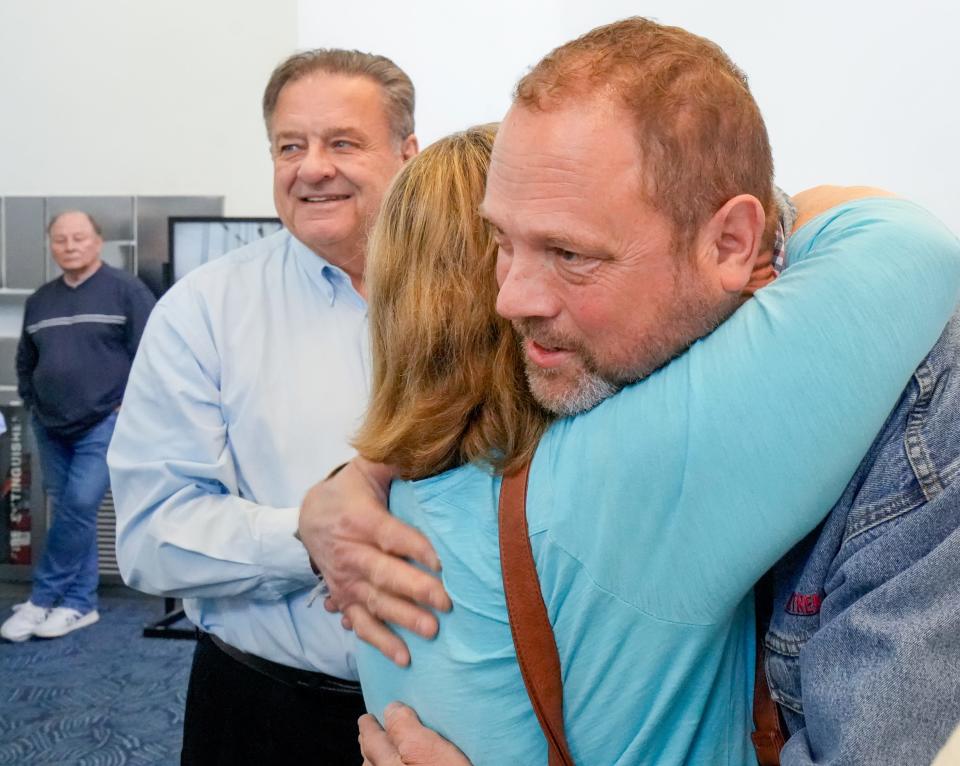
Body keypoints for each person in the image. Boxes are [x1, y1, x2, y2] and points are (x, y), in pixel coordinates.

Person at [294, 20, 960, 765]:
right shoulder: (630, 468)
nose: (513, 296)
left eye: (569, 251)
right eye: (503, 245)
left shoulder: (405, 502)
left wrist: (354, 477)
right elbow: (908, 250)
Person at [107, 49, 418, 763]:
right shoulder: (204, 312)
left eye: (342, 142)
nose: (312, 167)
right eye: (290, 146)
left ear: (408, 154)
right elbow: (152, 537)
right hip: (265, 713)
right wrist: (307, 539)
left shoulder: (487, 296)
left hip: (457, 713)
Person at [1, 211, 155, 643]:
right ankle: (80, 604)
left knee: (79, 506)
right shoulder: (41, 299)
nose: (70, 246)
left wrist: (129, 406)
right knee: (74, 512)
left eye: (79, 238)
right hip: (50, 425)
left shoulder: (126, 290)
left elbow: (154, 350)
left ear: (98, 241)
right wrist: (33, 403)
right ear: (51, 245)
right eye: (61, 239)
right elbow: (26, 362)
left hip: (104, 422)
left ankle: (41, 599)